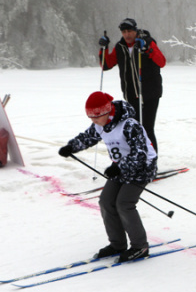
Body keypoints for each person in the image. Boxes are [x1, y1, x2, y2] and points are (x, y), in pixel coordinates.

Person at [58, 92, 158, 262]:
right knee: (105, 201)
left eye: (96, 117)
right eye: (90, 118)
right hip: (119, 168)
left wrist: (120, 168)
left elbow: (140, 154)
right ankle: (118, 244)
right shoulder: (100, 125)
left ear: (106, 112)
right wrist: (71, 147)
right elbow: (88, 137)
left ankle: (140, 246)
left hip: (142, 168)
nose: (93, 121)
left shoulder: (129, 125)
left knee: (124, 203)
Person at [99, 18, 166, 152]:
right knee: (134, 129)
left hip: (149, 93)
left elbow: (162, 62)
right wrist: (103, 48)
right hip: (131, 95)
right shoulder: (120, 47)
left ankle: (151, 161)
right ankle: (138, 159)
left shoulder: (147, 42)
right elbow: (106, 65)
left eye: (129, 31)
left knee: (146, 128)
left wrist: (148, 49)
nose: (127, 35)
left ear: (135, 31)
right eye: (124, 32)